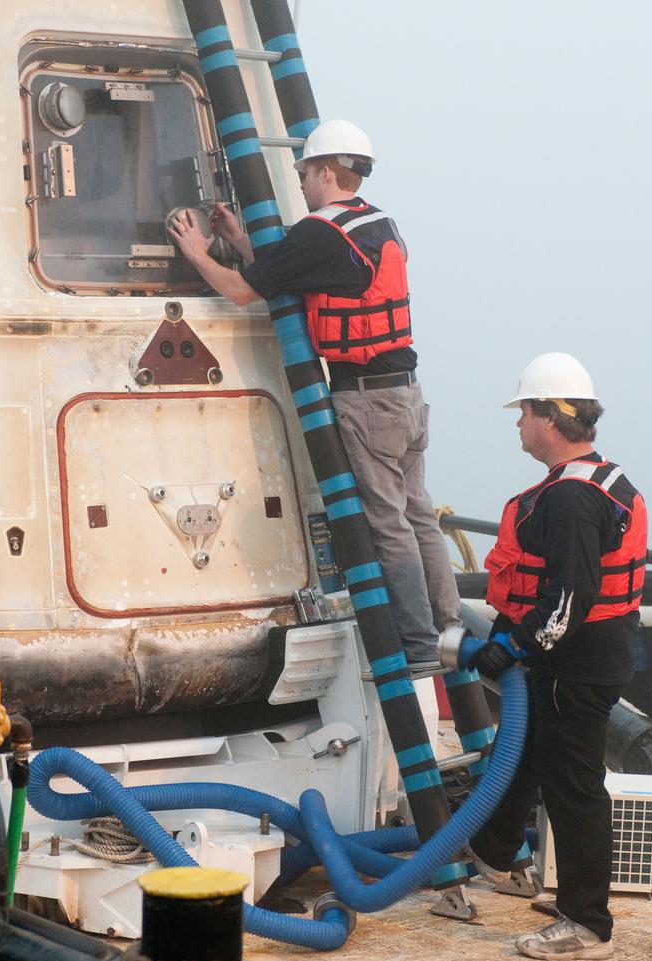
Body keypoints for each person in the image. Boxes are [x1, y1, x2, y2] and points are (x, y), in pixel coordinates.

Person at [169, 119, 460, 668]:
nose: (301, 181)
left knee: (388, 524)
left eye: (304, 172)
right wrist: (235, 239)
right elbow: (295, 268)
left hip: (367, 402)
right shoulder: (378, 224)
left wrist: (197, 252)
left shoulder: (320, 232)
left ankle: (417, 646)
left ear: (326, 171)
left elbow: (238, 292)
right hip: (407, 396)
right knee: (420, 517)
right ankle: (447, 629)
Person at [467, 352, 647, 960]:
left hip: (575, 663)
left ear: (549, 417)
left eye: (523, 412)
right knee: (527, 757)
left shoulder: (570, 501)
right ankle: (493, 852)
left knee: (574, 787)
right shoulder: (603, 479)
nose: (518, 424)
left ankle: (586, 923)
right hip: (586, 652)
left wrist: (511, 647)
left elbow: (569, 598)